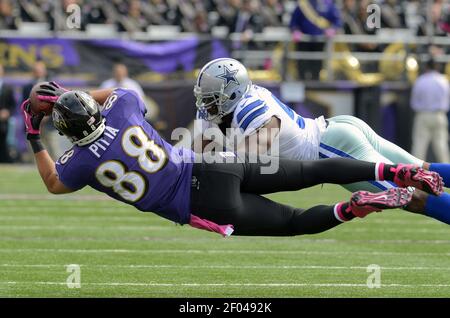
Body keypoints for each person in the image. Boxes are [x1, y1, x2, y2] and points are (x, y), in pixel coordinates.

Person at [20, 82, 442, 237]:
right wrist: (62, 97)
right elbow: (110, 95)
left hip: (201, 202)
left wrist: (34, 135)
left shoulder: (78, 162)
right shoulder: (123, 106)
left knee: (295, 222)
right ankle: (392, 171)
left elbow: (54, 183)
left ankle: (351, 209)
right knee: (318, 171)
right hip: (214, 165)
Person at [192, 58, 450, 225]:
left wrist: (210, 177)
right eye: (205, 97)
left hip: (333, 148)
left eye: (212, 97)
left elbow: (245, 165)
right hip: (338, 129)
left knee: (414, 195)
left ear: (233, 93)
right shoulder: (217, 110)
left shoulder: (252, 109)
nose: (206, 103)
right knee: (424, 171)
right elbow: (199, 156)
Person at [410, 59, 450, 163]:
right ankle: (447, 172)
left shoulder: (420, 80)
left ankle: (415, 172)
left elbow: (414, 102)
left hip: (423, 115)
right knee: (442, 146)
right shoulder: (443, 80)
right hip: (439, 115)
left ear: (426, 67)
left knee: (419, 145)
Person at [0, 64, 15, 162]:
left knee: (3, 143)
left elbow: (12, 105)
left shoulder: (8, 88)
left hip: (3, 123)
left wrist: (7, 112)